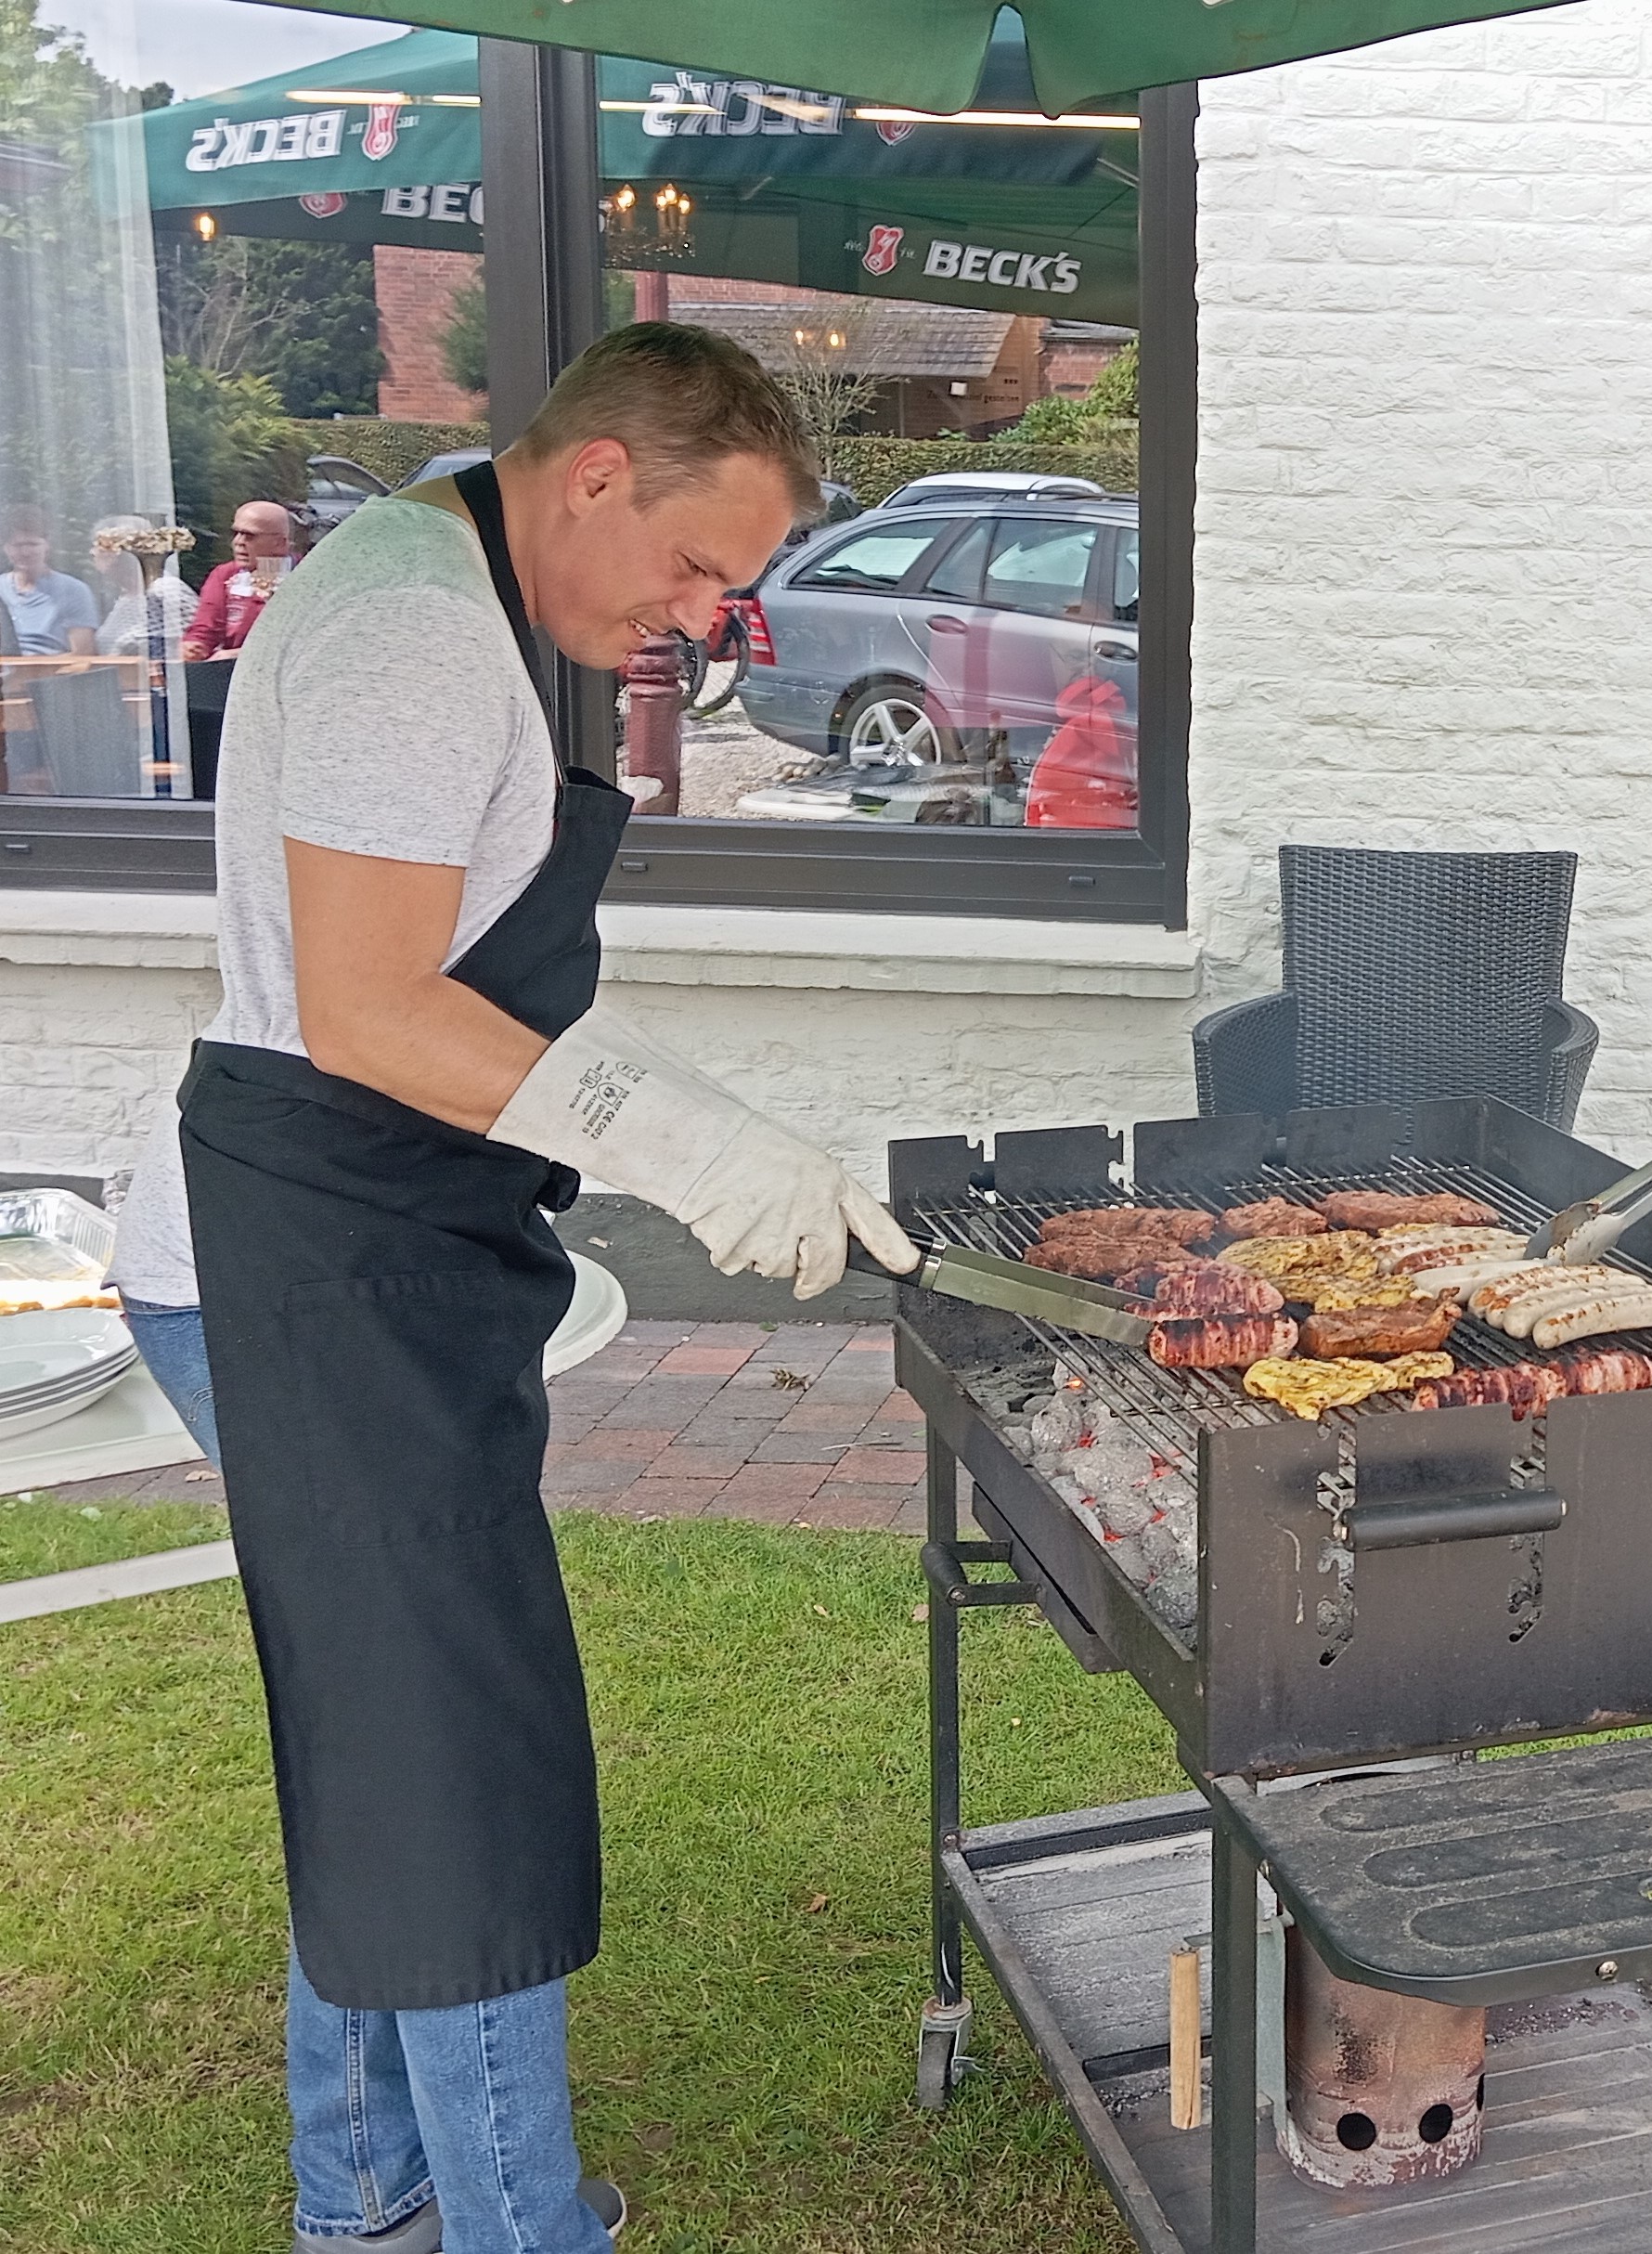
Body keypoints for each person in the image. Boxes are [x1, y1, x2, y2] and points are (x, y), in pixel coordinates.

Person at [106, 322, 919, 2254]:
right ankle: (512, 2224)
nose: (709, 617)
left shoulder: (467, 589)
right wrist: (685, 1147)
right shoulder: (410, 626)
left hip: (363, 1230)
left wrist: (710, 1112)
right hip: (298, 1248)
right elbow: (375, 1005)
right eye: (702, 566)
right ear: (598, 478)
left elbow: (477, 965)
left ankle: (366, 2191)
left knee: (383, 1734)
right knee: (447, 1761)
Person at [181, 497, 299, 661]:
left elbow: (301, 643)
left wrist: (240, 655)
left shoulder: (302, 577)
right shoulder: (224, 574)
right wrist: (193, 646)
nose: (238, 542)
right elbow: (206, 629)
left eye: (249, 536)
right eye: (236, 533)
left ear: (279, 543)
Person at [91, 512, 200, 659]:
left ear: (120, 551)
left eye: (99, 546)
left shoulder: (164, 589)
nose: (92, 553)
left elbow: (192, 644)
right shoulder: (124, 596)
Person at [3, 506, 101, 654]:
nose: (25, 552)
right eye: (17, 545)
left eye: (32, 544)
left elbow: (82, 655)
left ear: (47, 544)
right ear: (5, 548)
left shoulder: (73, 590)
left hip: (53, 674)